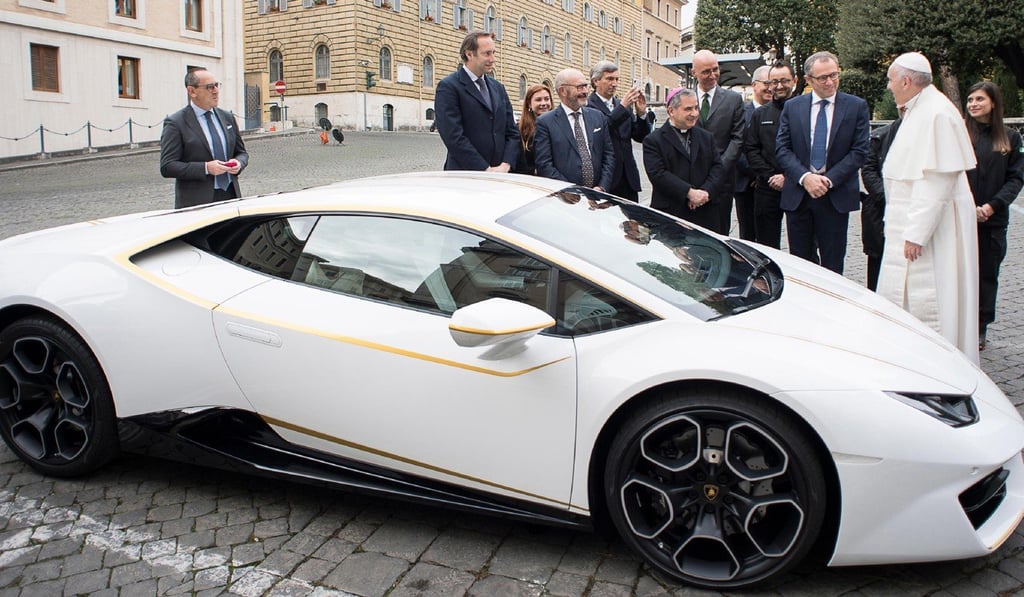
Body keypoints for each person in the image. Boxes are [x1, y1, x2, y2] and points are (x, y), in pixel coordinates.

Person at [876, 52, 979, 363]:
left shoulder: (936, 113)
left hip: (934, 232)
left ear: (907, 81)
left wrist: (916, 234)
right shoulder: (920, 110)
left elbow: (936, 180)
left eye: (892, 80)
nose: (890, 86)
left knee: (934, 297)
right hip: (917, 226)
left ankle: (939, 363)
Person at [775, 51, 870, 274]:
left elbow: (859, 152)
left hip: (834, 196)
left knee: (833, 264)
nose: (830, 82)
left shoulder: (856, 107)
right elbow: (782, 149)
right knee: (801, 264)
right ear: (808, 80)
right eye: (823, 78)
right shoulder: (793, 107)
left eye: (834, 75)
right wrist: (805, 178)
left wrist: (827, 181)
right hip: (799, 196)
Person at [964, 81, 1023, 350]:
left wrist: (992, 206)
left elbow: (1015, 178)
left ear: (993, 103)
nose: (973, 104)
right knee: (960, 274)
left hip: (992, 220)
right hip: (962, 217)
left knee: (987, 275)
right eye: (970, 100)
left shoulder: (1010, 138)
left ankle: (980, 327)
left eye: (979, 99)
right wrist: (967, 206)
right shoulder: (961, 134)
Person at [159, 68, 248, 209]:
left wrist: (238, 163)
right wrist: (206, 168)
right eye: (209, 87)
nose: (216, 91)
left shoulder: (227, 117)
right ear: (192, 91)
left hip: (231, 196)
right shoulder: (176, 123)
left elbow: (242, 153)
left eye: (216, 85)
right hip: (197, 203)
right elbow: (167, 166)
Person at [434, 31, 520, 172]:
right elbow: (453, 136)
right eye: (487, 53)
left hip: (501, 174)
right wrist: (485, 169)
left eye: (494, 53)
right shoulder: (449, 87)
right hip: (466, 176)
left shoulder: (498, 88)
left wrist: (506, 164)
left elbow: (512, 132)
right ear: (469, 54)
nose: (493, 59)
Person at [643, 88, 724, 230]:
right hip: (671, 213)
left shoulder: (706, 137)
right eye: (688, 109)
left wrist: (705, 192)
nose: (694, 114)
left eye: (696, 108)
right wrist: (689, 193)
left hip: (705, 212)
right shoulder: (653, 140)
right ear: (671, 111)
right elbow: (658, 174)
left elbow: (717, 167)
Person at [742, 62, 796, 249]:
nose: (779, 86)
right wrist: (770, 176)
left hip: (798, 186)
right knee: (766, 247)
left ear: (794, 81)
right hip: (767, 187)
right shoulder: (760, 114)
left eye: (784, 81)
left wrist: (788, 177)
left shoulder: (804, 111)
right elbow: (751, 148)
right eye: (774, 82)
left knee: (803, 247)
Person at [692, 49, 745, 235]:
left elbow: (738, 139)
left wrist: (718, 170)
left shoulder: (734, 100)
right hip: (691, 181)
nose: (713, 75)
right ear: (694, 73)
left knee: (719, 234)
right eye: (706, 71)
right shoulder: (683, 99)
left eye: (715, 69)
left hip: (722, 181)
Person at [534, 68, 615, 191]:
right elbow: (544, 164)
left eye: (586, 86)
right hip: (565, 199)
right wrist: (571, 191)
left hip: (598, 196)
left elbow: (609, 155)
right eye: (579, 87)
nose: (585, 91)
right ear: (562, 91)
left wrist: (602, 187)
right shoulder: (545, 123)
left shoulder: (597, 117)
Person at [587, 61, 654, 201]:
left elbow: (640, 136)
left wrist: (642, 115)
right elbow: (603, 129)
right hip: (606, 178)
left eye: (617, 79)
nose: (615, 83)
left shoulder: (622, 105)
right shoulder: (589, 106)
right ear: (596, 81)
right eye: (609, 79)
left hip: (628, 178)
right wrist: (623, 107)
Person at [859, 118, 901, 291]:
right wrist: (888, 196)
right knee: (876, 264)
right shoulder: (879, 136)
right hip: (879, 209)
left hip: (908, 211)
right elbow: (868, 169)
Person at [734, 65, 773, 241]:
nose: (770, 87)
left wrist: (768, 175)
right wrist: (757, 174)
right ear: (754, 85)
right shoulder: (740, 113)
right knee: (748, 236)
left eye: (773, 83)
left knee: (769, 236)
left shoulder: (782, 112)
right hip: (746, 184)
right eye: (766, 83)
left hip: (772, 185)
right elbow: (737, 146)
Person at [514, 84, 554, 175]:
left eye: (547, 99)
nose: (543, 103)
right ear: (529, 104)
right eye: (538, 100)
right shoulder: (519, 130)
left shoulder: (559, 126)